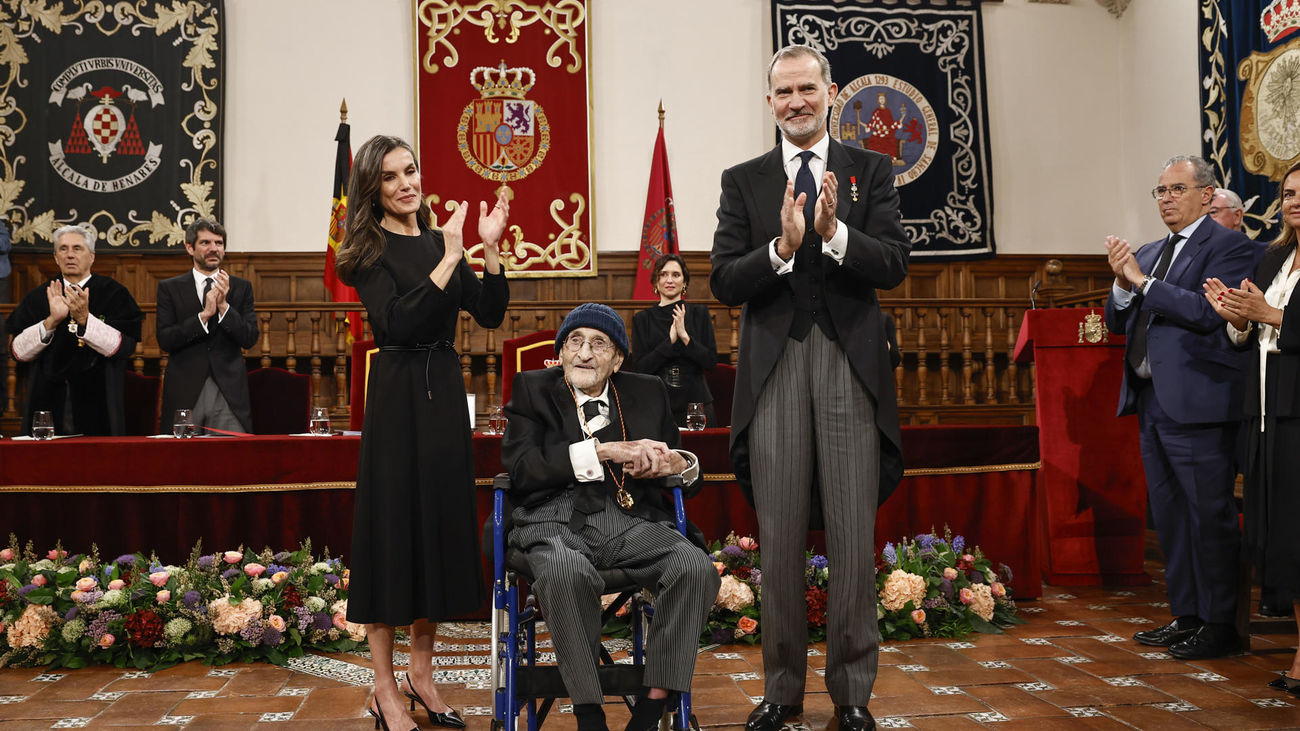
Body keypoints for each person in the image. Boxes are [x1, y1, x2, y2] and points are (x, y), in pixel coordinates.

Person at [710, 44, 910, 731]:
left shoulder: (871, 170)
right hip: (773, 372)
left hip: (849, 368)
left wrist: (834, 234)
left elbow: (893, 264)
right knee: (781, 534)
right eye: (782, 92)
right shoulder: (745, 180)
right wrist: (784, 249)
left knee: (854, 537)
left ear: (830, 93)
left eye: (806, 88)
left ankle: (853, 693)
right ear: (769, 103)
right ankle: (781, 689)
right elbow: (723, 279)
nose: (795, 100)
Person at [335, 135, 510, 731]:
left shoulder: (444, 242)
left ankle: (422, 675)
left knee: (434, 529)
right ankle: (385, 687)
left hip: (441, 398)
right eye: (390, 177)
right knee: (393, 532)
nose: (406, 183)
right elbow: (396, 323)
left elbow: (488, 312)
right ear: (372, 188)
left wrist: (485, 250)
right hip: (396, 395)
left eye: (411, 170)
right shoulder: (367, 251)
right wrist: (449, 258)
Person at [501, 303, 718, 731]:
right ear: (560, 353)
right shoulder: (532, 388)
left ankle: (654, 703)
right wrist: (602, 451)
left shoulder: (647, 391)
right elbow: (522, 468)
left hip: (628, 518)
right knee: (565, 571)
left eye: (599, 344)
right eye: (575, 342)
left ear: (617, 359)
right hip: (552, 520)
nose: (584, 352)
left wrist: (675, 464)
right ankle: (588, 713)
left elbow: (684, 467)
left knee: (693, 566)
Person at [1104, 154, 1260, 660]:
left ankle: (1220, 624)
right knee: (1169, 514)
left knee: (1207, 514)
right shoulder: (1150, 250)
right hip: (1151, 399)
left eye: (1176, 189)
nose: (1166, 198)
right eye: (1160, 191)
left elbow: (1204, 311)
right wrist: (1121, 283)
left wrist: (1143, 283)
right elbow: (1114, 320)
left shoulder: (1230, 246)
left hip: (1199, 402)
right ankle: (1187, 614)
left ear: (1207, 195)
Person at [1203, 159, 1300, 694]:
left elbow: (1277, 321)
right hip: (1266, 413)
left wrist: (1272, 316)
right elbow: (1252, 330)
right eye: (1287, 193)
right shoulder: (1274, 257)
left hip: (1299, 412)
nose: (1293, 201)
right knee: (1281, 538)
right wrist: (1236, 318)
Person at [6, 224, 143, 436]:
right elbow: (17, 352)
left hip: (100, 401)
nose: (70, 255)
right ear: (55, 257)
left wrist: (85, 320)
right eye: (63, 249)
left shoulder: (114, 293)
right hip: (48, 400)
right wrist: (51, 321)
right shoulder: (38, 296)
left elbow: (125, 347)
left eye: (77, 248)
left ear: (92, 256)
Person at [156, 219, 259, 434]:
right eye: (205, 243)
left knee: (230, 460)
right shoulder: (169, 288)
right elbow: (165, 339)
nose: (214, 248)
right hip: (185, 389)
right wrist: (203, 316)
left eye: (219, 243)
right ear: (189, 248)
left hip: (229, 392)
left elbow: (249, 338)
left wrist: (224, 308)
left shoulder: (241, 288)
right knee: (182, 461)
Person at [628, 253, 717, 427]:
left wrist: (684, 337)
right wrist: (669, 342)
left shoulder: (700, 314)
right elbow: (641, 368)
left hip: (696, 407)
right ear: (655, 282)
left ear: (684, 282)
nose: (669, 280)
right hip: (657, 406)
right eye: (663, 274)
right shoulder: (642, 319)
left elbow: (711, 362)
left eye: (676, 275)